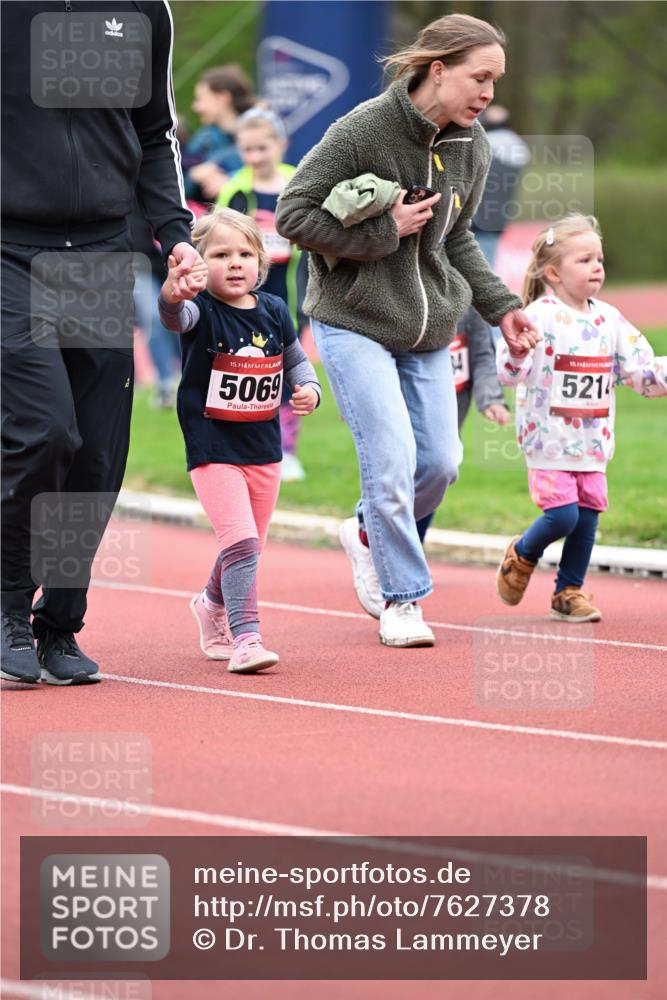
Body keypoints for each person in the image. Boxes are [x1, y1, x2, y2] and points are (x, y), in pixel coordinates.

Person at [276, 12, 539, 649]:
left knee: (441, 465)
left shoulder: (471, 146)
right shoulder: (363, 129)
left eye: (495, 83)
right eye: (480, 78)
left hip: (428, 330)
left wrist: (502, 306)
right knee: (391, 460)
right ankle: (403, 598)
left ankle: (366, 532)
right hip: (354, 320)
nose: (488, 94)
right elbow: (292, 213)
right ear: (438, 69)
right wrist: (382, 231)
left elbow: (461, 241)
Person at [1, 1, 204, 685]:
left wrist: (174, 233)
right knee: (43, 429)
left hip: (97, 253)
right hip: (8, 248)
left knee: (94, 451)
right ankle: (4, 610)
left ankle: (58, 625)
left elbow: (155, 134)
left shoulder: (144, 9)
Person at [158, 209, 320, 673]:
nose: (234, 263)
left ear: (261, 261)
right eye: (221, 254)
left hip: (265, 448)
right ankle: (247, 638)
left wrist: (310, 389)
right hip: (213, 447)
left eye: (245, 253)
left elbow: (296, 362)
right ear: (199, 263)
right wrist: (172, 292)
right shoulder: (200, 310)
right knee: (242, 541)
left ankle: (211, 603)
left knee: (246, 545)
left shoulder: (273, 309)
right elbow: (174, 315)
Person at [495, 214, 667, 621]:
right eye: (585, 260)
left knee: (587, 518)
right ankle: (522, 554)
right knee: (563, 514)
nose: (597, 268)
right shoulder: (538, 315)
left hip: (592, 442)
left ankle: (568, 592)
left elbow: (640, 370)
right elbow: (507, 372)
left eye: (600, 260)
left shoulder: (609, 319)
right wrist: (518, 351)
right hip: (547, 440)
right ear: (553, 272)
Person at [216, 108, 309, 482]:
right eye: (246, 150)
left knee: (289, 372)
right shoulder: (235, 188)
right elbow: (219, 239)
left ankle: (286, 450)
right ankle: (237, 448)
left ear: (281, 145)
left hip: (289, 295)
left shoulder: (299, 182)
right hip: (244, 301)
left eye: (262, 148)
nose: (254, 157)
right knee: (245, 369)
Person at [415, 306, 510, 542]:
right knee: (398, 475)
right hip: (408, 404)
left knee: (438, 476)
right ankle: (372, 535)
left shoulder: (468, 301)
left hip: (449, 413)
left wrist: (491, 399)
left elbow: (482, 355)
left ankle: (411, 547)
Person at [183, 65, 255, 204]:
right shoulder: (202, 139)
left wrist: (230, 180)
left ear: (223, 97)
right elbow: (177, 188)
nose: (196, 107)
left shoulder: (262, 130)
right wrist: (194, 176)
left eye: (200, 99)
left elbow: (271, 175)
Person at [471, 104, 530, 269]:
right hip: (498, 217)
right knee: (486, 266)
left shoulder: (484, 144)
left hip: (475, 218)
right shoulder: (519, 147)